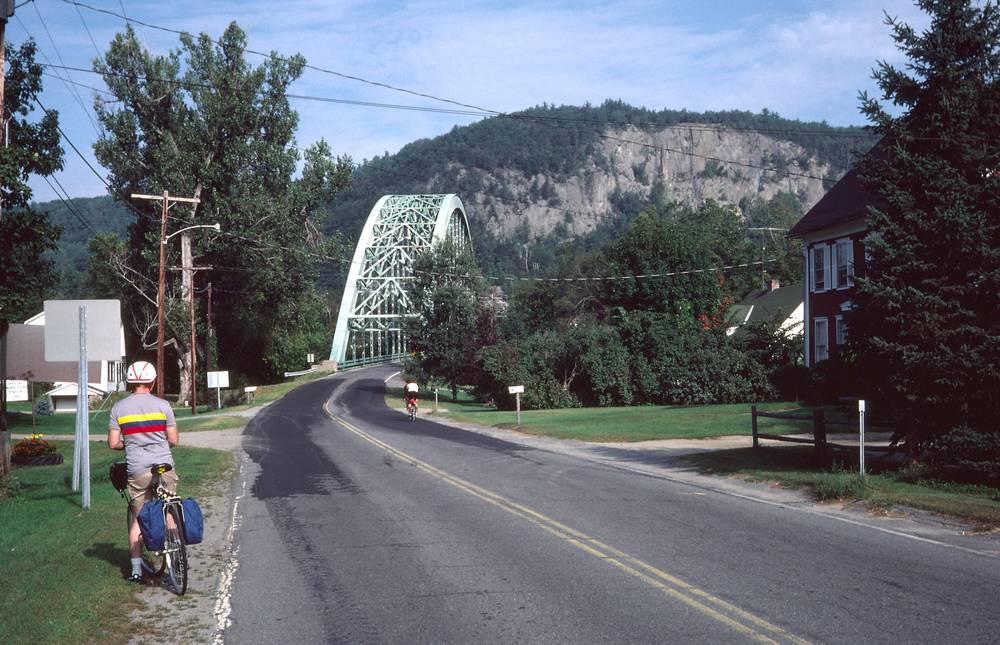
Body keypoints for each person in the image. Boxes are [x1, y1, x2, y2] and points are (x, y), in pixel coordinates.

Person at [107, 360, 179, 583]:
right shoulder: (164, 405)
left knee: (139, 518)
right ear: (153, 382)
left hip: (138, 469)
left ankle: (137, 571)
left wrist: (129, 443)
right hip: (164, 466)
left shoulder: (118, 408)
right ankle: (177, 557)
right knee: (169, 511)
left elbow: (113, 443)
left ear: (130, 382)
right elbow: (174, 440)